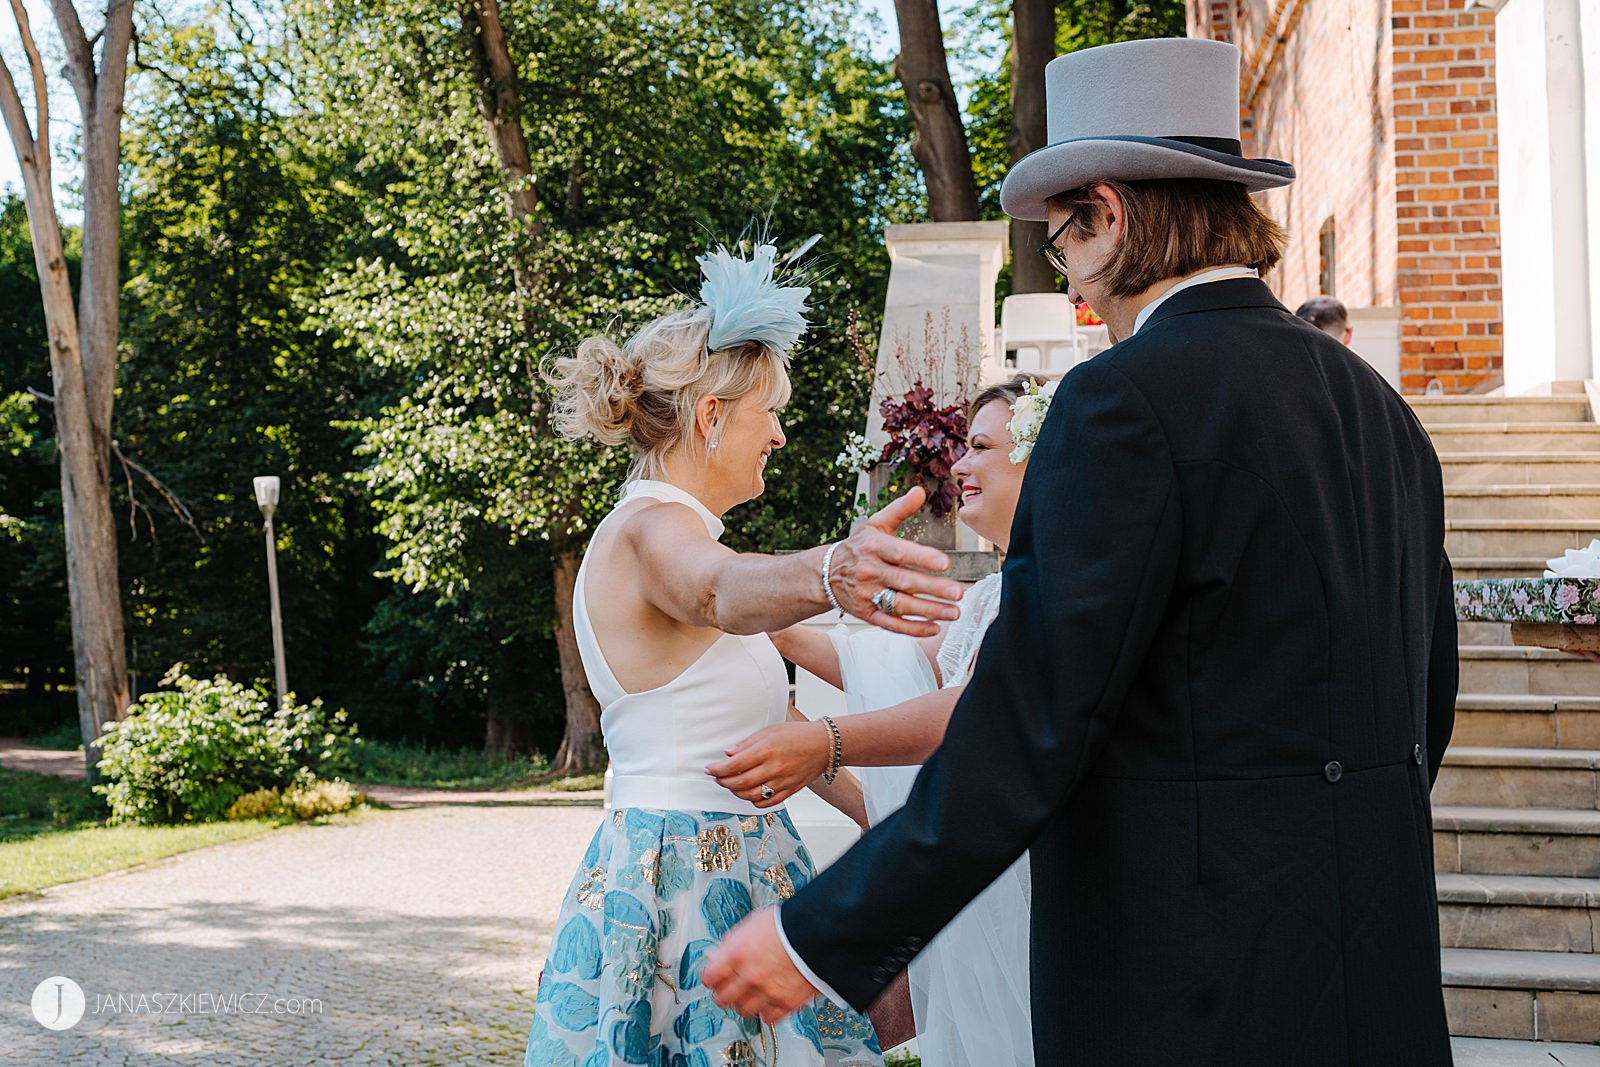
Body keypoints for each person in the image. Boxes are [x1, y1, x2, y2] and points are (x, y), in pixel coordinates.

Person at [703, 37, 1458, 1067]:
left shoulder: (1126, 401)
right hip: (1374, 969)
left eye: (1061, 243)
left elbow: (1031, 718)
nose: (1073, 281)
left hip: (1188, 981)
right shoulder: (1382, 413)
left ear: (1109, 214)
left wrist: (823, 932)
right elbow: (1427, 697)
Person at [521, 240, 966, 1067]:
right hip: (680, 885)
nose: (782, 434)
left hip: (749, 863)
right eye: (770, 412)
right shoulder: (651, 530)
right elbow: (719, 591)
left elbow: (769, 732)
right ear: (712, 416)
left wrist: (893, 822)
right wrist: (832, 569)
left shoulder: (685, 532)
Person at [707, 377, 1045, 1067]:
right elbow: (867, 659)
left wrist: (824, 742)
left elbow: (973, 711)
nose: (958, 464)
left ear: (1037, 461)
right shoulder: (989, 597)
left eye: (980, 446)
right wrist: (733, 596)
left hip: (1028, 874)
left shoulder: (1050, 592)